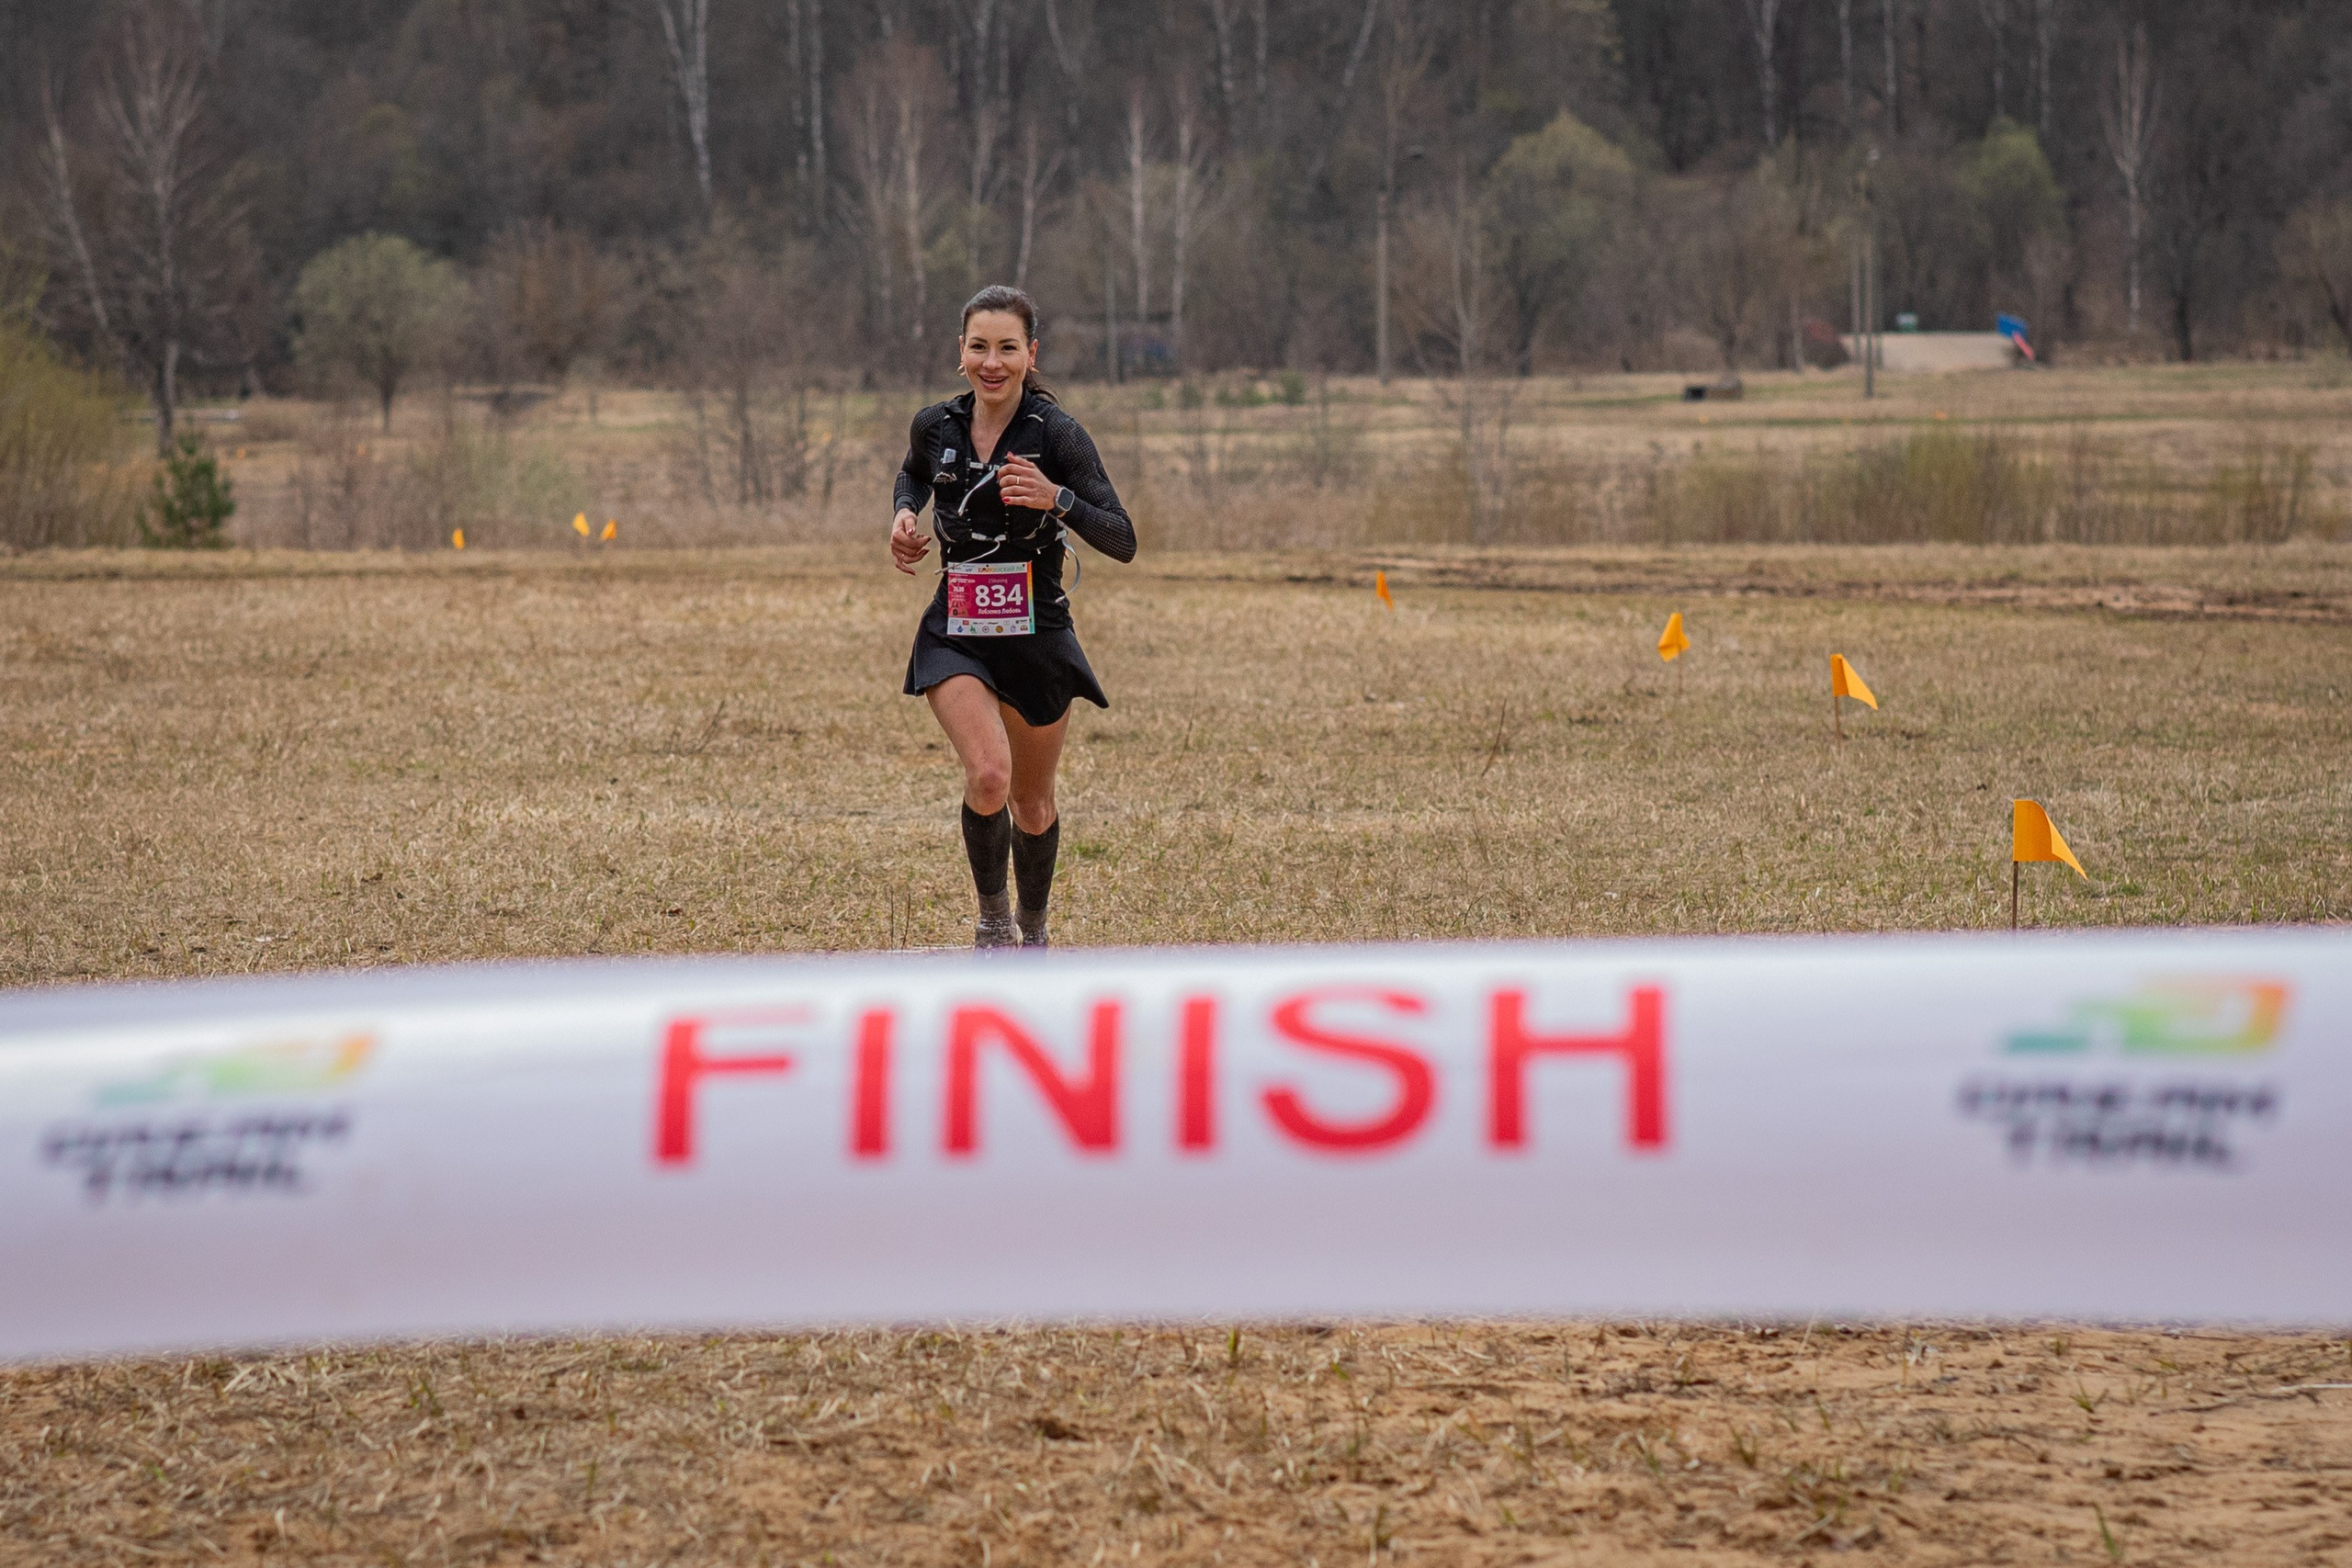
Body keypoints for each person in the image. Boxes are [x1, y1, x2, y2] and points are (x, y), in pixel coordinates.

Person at [892, 285, 1136, 949]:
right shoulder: (935, 425)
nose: (991, 363)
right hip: (957, 630)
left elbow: (1122, 538)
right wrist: (904, 515)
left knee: (1031, 802)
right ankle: (993, 925)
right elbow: (913, 473)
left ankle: (1033, 928)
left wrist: (1058, 498)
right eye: (979, 347)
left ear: (1031, 355)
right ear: (960, 352)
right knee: (989, 775)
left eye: (1007, 348)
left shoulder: (1057, 434)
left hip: (1038, 634)